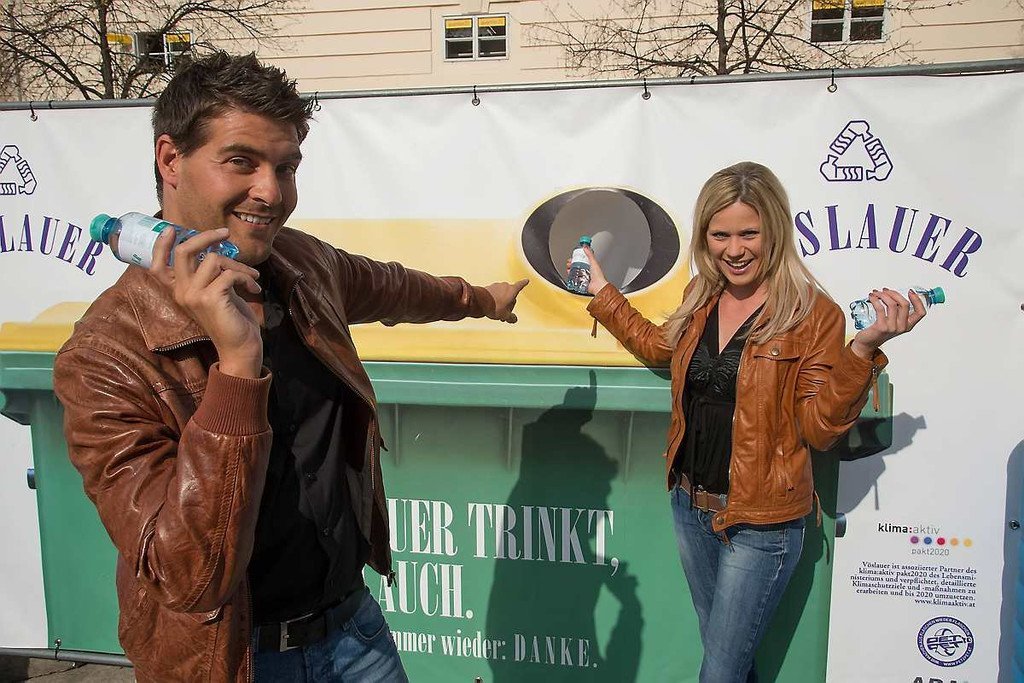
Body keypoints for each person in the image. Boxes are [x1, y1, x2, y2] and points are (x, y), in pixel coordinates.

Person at [52, 51, 528, 683]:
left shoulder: (302, 265)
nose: (271, 193)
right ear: (170, 159)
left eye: (287, 167)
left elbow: (393, 287)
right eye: (240, 161)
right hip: (233, 661)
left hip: (353, 629)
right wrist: (238, 368)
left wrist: (481, 299)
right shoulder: (105, 356)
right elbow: (189, 578)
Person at [580, 161, 925, 682]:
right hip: (689, 505)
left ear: (775, 232)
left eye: (749, 233)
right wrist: (603, 292)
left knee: (719, 673)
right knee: (730, 664)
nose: (734, 249)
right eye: (720, 235)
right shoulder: (701, 297)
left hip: (762, 524)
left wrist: (862, 349)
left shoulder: (812, 314)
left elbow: (820, 429)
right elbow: (658, 346)